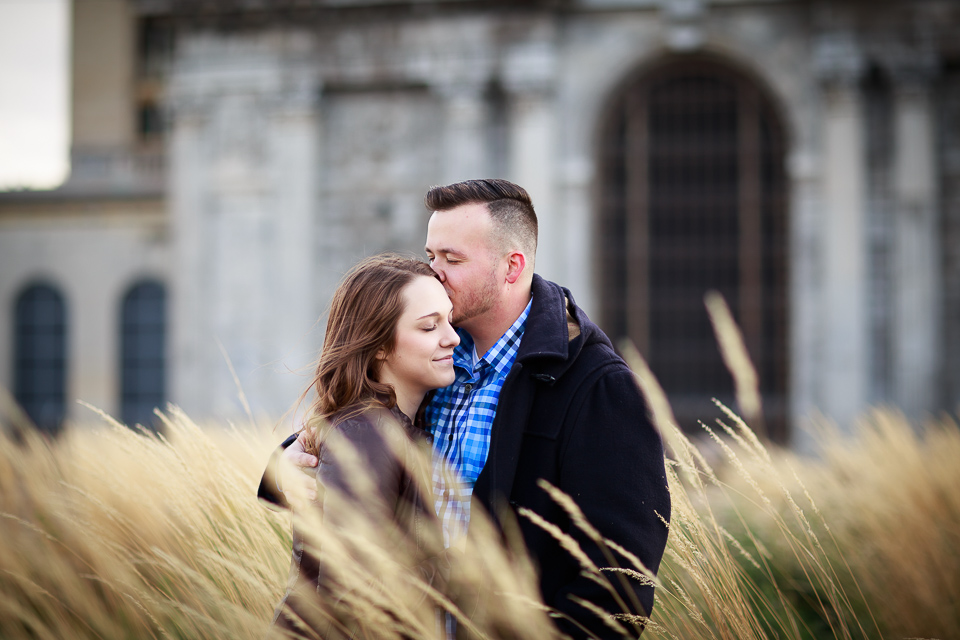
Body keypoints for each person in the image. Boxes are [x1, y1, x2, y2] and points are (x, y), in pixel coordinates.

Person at [263, 180, 671, 638]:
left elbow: (619, 582)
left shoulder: (597, 385)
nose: (434, 272)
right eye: (431, 255)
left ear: (511, 267)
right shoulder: (431, 358)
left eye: (452, 260)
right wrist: (288, 466)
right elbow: (359, 430)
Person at [264, 254, 459, 639]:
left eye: (450, 319)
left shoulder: (382, 426)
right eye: (428, 327)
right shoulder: (368, 433)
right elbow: (349, 597)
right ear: (380, 347)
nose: (452, 337)